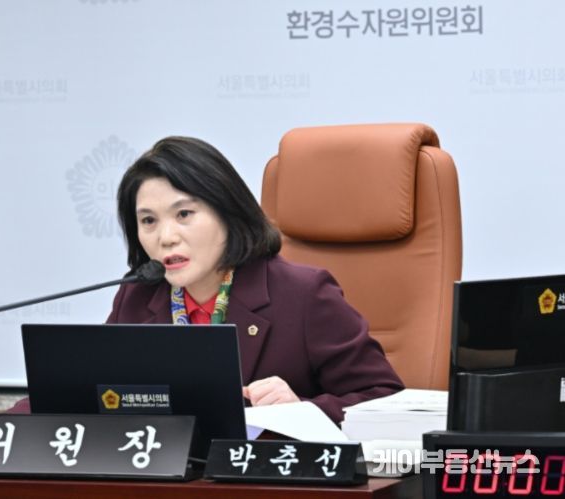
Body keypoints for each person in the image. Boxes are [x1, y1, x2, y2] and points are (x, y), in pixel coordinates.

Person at [105, 136, 404, 423]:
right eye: (148, 220)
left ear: (227, 212)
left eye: (184, 214)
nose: (166, 237)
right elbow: (102, 398)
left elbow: (385, 399)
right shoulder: (135, 298)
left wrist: (302, 411)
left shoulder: (304, 295)